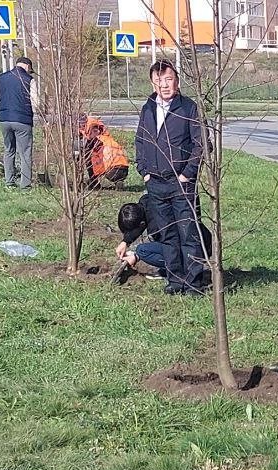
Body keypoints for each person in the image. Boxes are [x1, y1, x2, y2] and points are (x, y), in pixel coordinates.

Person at [136, 60, 207, 296]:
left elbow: (202, 145)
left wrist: (187, 174)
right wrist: (144, 171)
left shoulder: (188, 108)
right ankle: (175, 280)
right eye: (158, 81)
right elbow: (140, 140)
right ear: (152, 83)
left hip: (181, 183)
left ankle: (193, 283)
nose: (164, 85)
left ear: (176, 81)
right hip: (155, 183)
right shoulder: (148, 108)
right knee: (167, 233)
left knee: (188, 232)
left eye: (168, 80)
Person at [113, 197, 211, 285]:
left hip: (195, 249)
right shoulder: (147, 201)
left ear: (142, 224)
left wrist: (136, 256)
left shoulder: (157, 227)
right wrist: (125, 241)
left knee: (142, 250)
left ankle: (179, 270)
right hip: (203, 238)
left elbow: (171, 248)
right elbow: (140, 226)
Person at [0, 56, 39, 189]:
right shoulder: (30, 80)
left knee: (9, 150)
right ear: (27, 66)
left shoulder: (1, 78)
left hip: (4, 120)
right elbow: (36, 103)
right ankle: (25, 184)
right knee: (25, 153)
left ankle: (9, 182)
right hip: (23, 121)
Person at [81, 115, 129, 187]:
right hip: (124, 169)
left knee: (89, 157)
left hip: (112, 171)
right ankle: (118, 181)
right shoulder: (109, 140)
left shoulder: (98, 142)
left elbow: (94, 162)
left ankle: (94, 182)